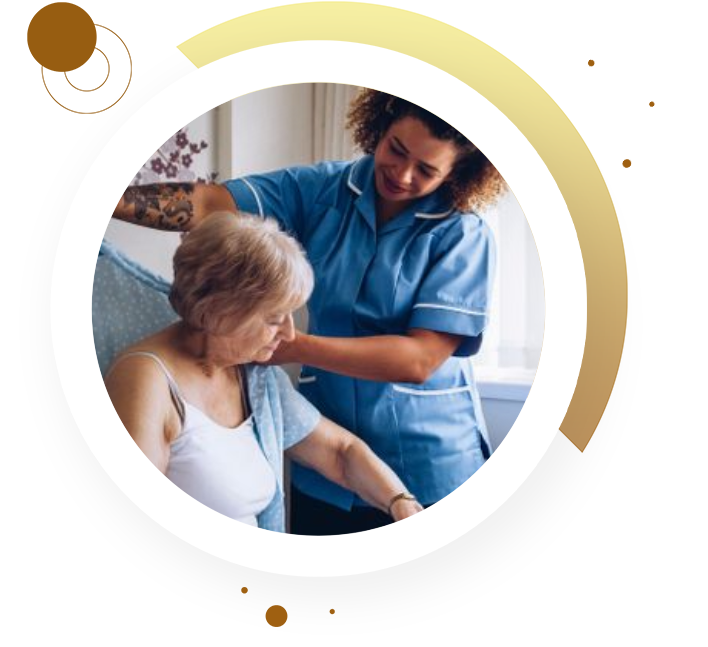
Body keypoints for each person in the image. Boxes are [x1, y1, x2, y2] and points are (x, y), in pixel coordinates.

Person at [112, 88, 506, 535]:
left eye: (427, 170)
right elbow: (205, 205)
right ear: (381, 125)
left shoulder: (462, 235)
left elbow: (418, 360)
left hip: (429, 462)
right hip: (327, 466)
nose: (402, 173)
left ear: (457, 174)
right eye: (396, 150)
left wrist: (286, 344)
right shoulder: (322, 190)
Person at [104, 211, 423, 533]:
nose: (289, 334)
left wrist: (401, 502)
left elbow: (340, 452)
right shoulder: (146, 381)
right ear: (219, 311)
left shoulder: (254, 376)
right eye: (274, 319)